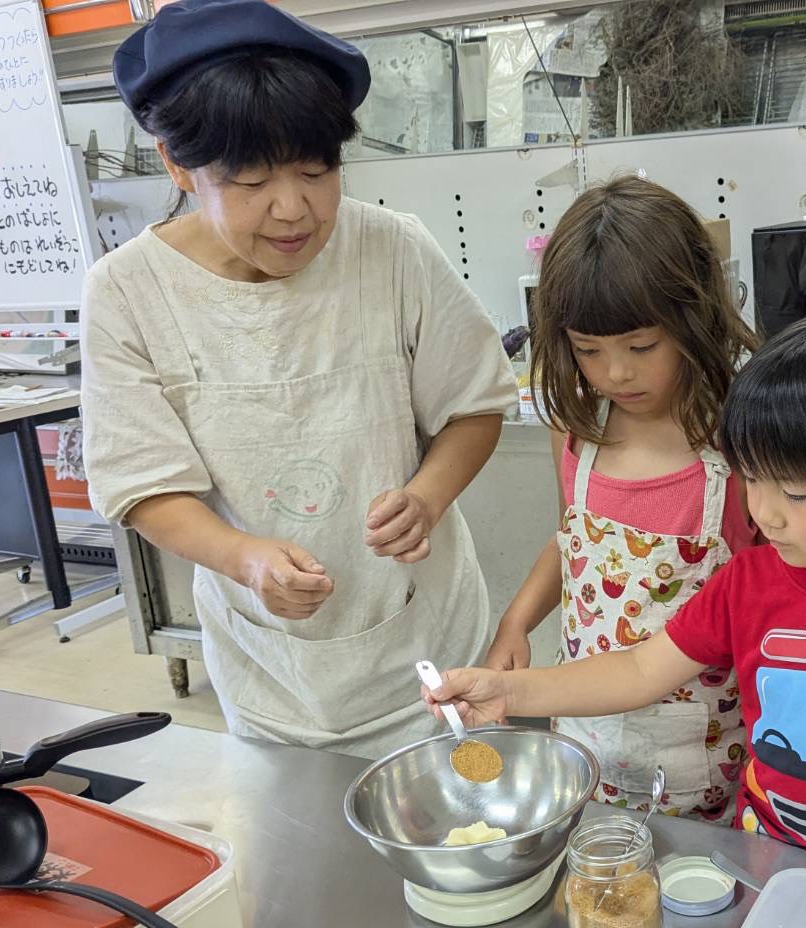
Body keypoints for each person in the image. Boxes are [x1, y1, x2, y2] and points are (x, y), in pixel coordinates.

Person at [430, 313, 806, 928]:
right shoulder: (749, 583)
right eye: (753, 478)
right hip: (769, 869)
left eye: (796, 494)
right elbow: (641, 670)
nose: (764, 512)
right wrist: (512, 692)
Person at [81, 0, 515, 754]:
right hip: (271, 664)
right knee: (303, 847)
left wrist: (427, 494)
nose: (294, 209)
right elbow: (142, 484)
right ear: (176, 164)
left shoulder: (392, 249)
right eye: (249, 181)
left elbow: (474, 406)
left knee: (460, 825)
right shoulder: (128, 291)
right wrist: (242, 558)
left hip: (431, 635)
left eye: (317, 170)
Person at [483, 177, 758, 820]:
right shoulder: (577, 429)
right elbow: (570, 539)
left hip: (712, 755)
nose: (615, 373)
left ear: (694, 317)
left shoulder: (738, 442)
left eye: (641, 346)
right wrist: (517, 620)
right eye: (588, 350)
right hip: (589, 740)